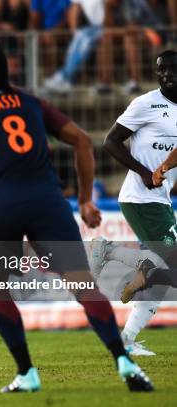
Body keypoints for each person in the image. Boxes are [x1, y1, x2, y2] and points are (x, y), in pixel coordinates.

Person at [0, 37, 152, 392]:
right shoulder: (31, 102)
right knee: (82, 284)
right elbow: (82, 140)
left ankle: (27, 373)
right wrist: (86, 200)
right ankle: (124, 361)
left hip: (2, 206)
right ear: (7, 70)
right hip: (48, 201)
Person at [101, 50, 177, 353]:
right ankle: (114, 254)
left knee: (162, 278)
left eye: (172, 68)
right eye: (161, 70)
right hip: (141, 199)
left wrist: (164, 170)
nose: (166, 74)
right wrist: (145, 173)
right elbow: (110, 141)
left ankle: (127, 341)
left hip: (159, 200)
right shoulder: (146, 104)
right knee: (166, 271)